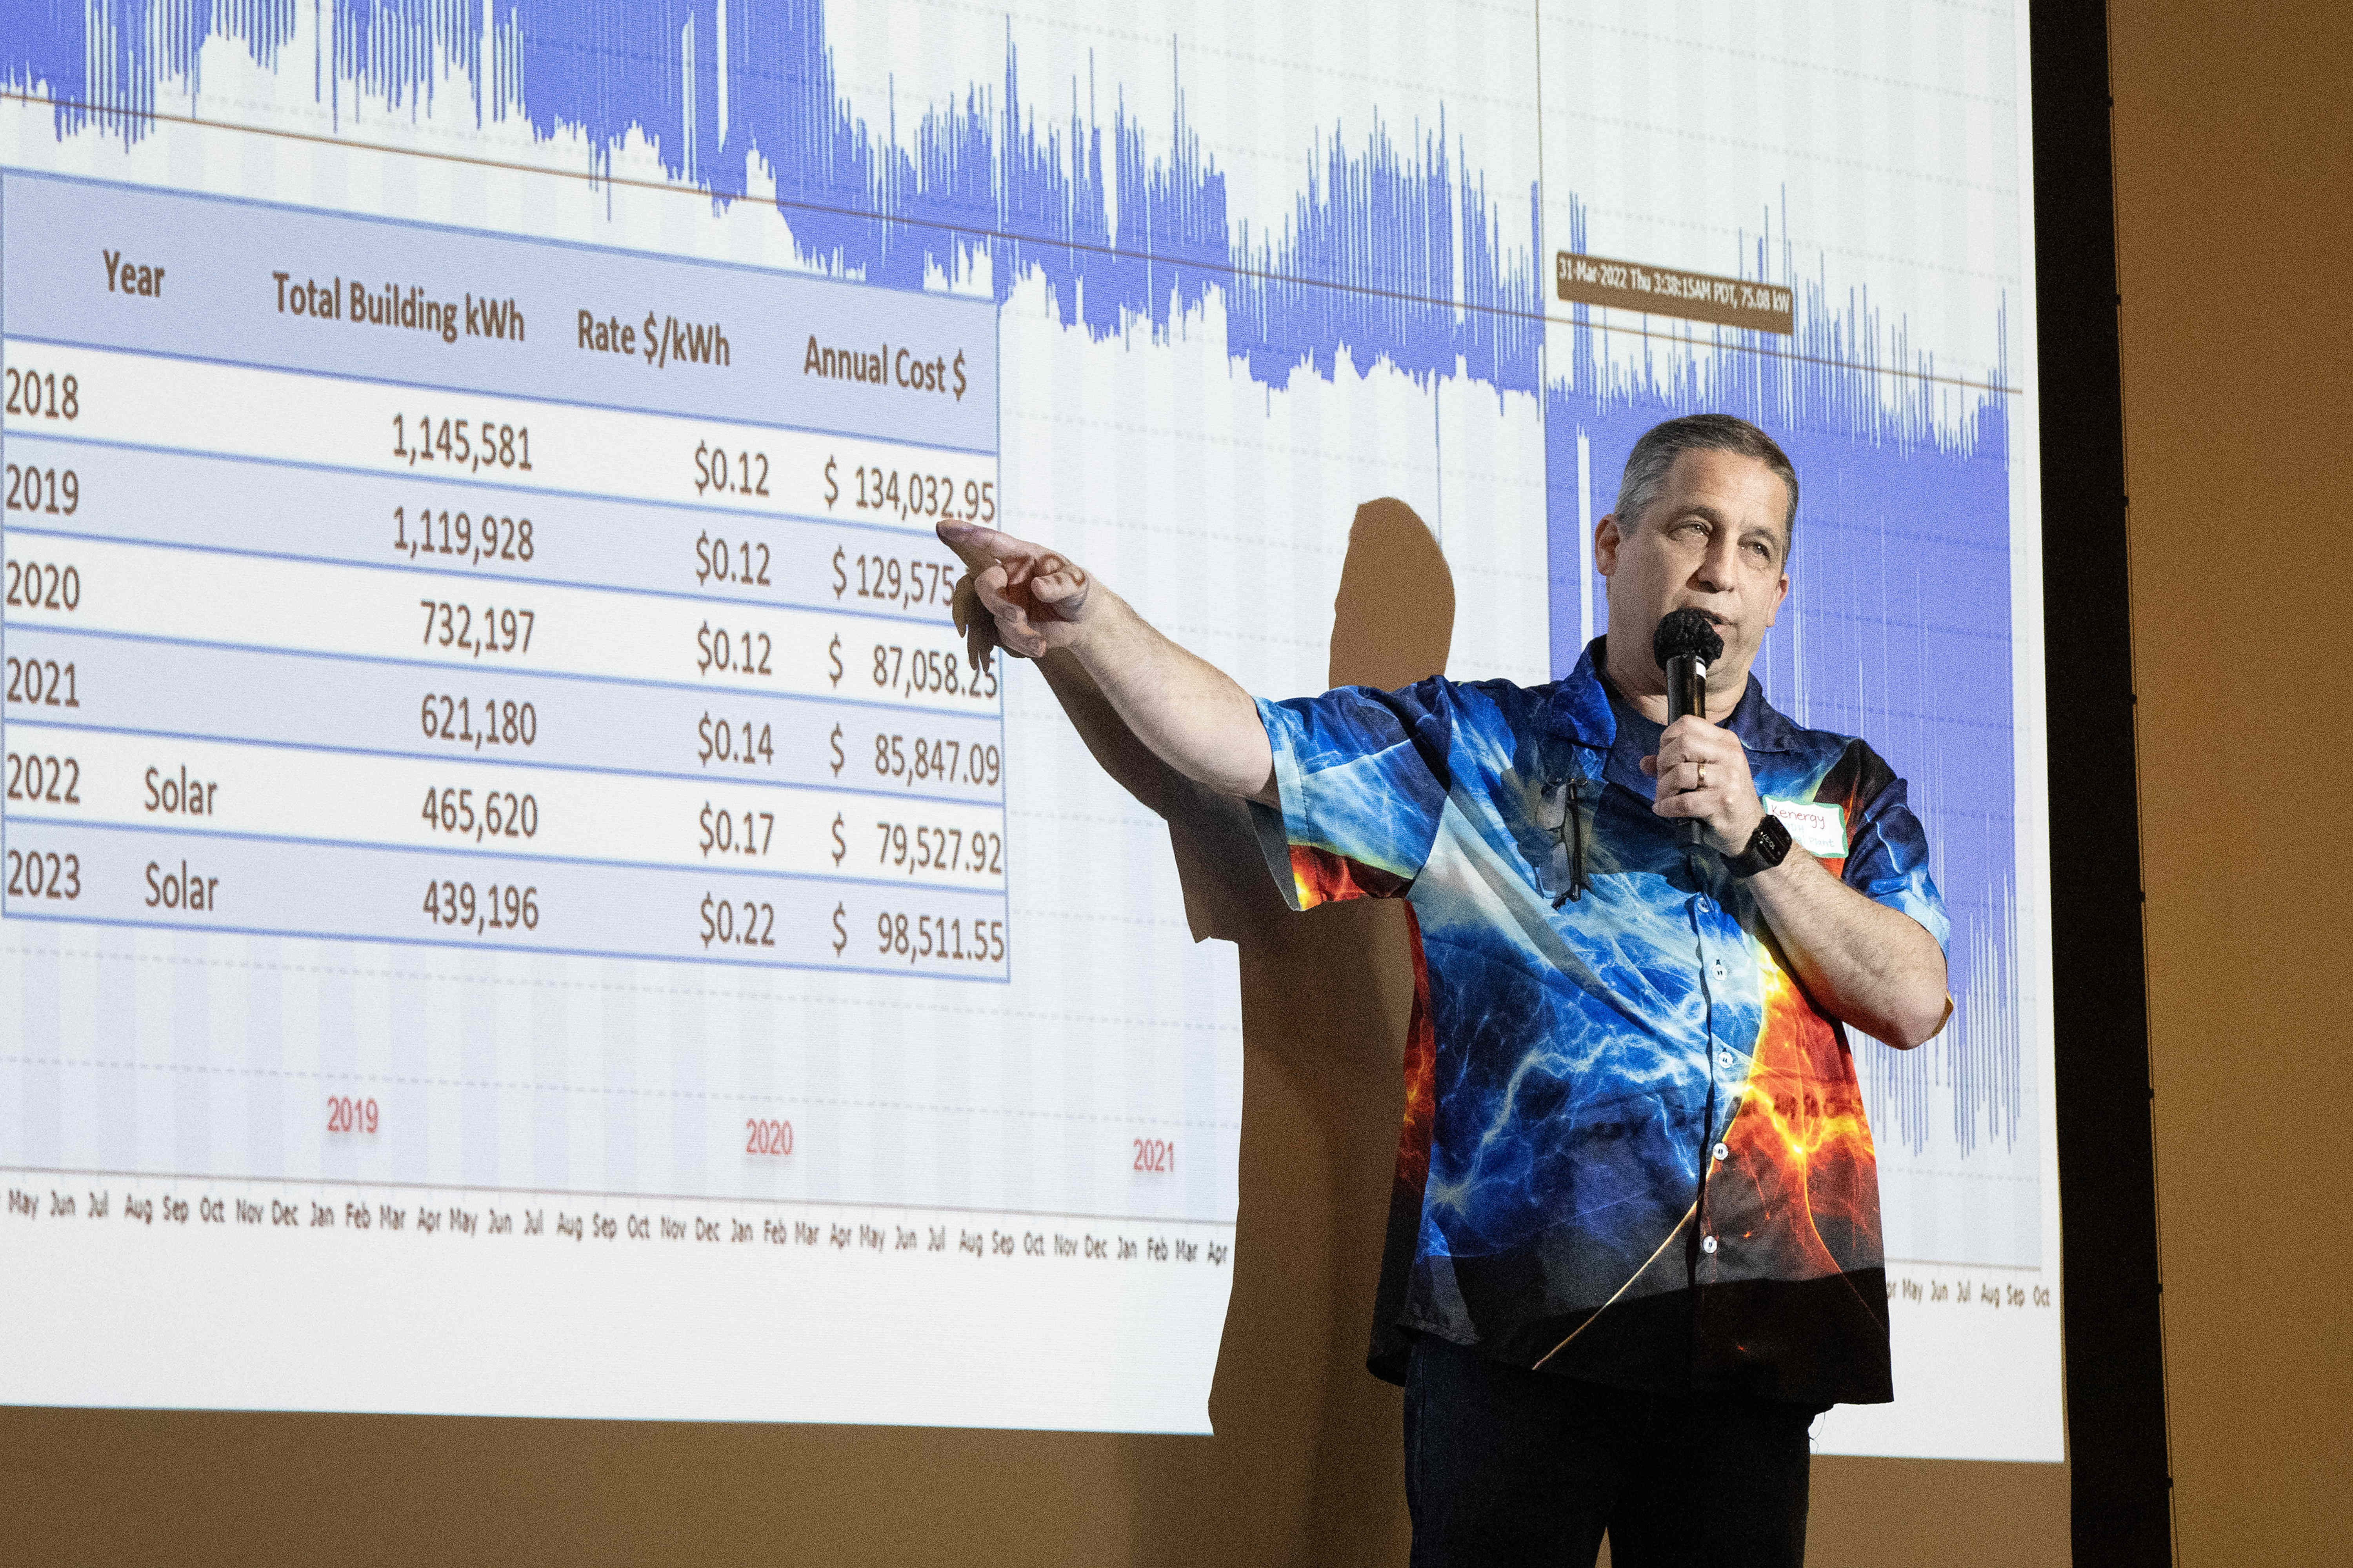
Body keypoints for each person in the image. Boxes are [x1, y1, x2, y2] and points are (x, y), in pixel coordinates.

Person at [940, 413, 1951, 1567]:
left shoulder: (1840, 785)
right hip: (1516, 1327)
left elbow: (1914, 997)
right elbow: (1245, 746)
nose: (1722, 571)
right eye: (1694, 529)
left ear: (1778, 595)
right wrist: (1092, 625)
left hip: (1747, 1345)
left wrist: (1756, 837)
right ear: (1615, 545)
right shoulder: (1477, 747)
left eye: (1757, 550)